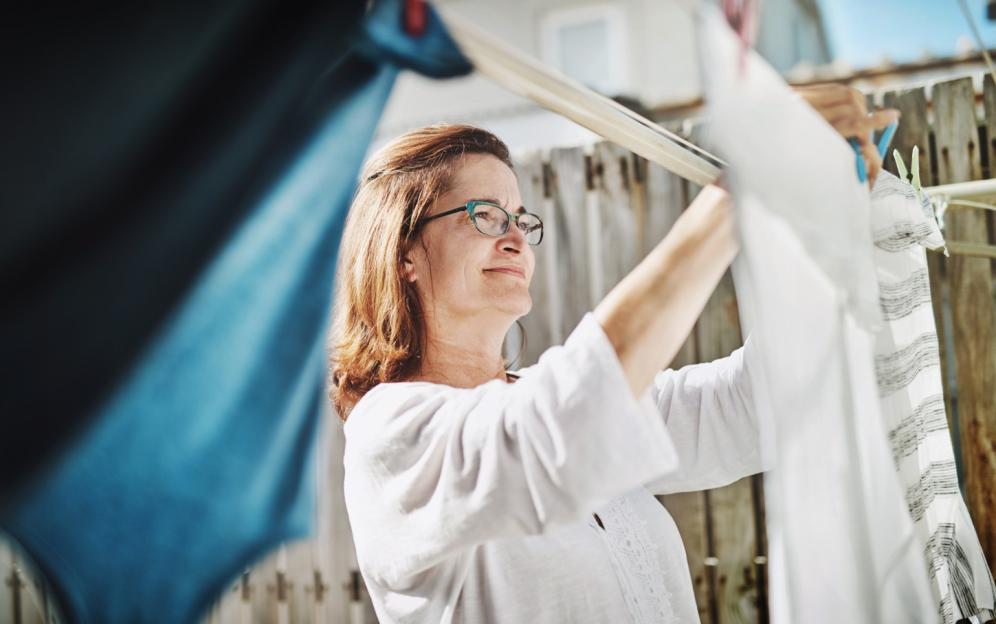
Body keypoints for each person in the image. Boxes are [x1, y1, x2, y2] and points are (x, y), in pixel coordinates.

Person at [330, 86, 896, 623]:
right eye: (485, 215)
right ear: (403, 251)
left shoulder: (549, 397)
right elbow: (556, 428)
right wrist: (738, 189)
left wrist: (836, 235)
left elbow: (751, 406)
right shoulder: (391, 434)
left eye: (521, 220)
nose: (516, 238)